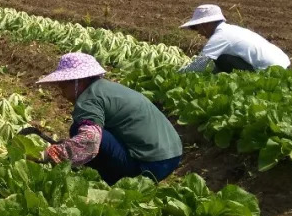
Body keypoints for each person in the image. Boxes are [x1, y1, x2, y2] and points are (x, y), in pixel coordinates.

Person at [36, 52, 183, 185]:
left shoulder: (88, 99)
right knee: (88, 132)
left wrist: (51, 154)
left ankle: (110, 181)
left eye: (62, 85)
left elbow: (90, 140)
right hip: (172, 157)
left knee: (78, 129)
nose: (61, 91)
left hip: (149, 165)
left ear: (77, 82)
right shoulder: (106, 89)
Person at [178, 5, 290, 73]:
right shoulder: (231, 30)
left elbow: (199, 64)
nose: (199, 33)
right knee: (221, 59)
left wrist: (175, 75)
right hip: (284, 65)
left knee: (221, 59)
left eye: (198, 28)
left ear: (206, 24)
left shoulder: (220, 37)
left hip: (271, 71)